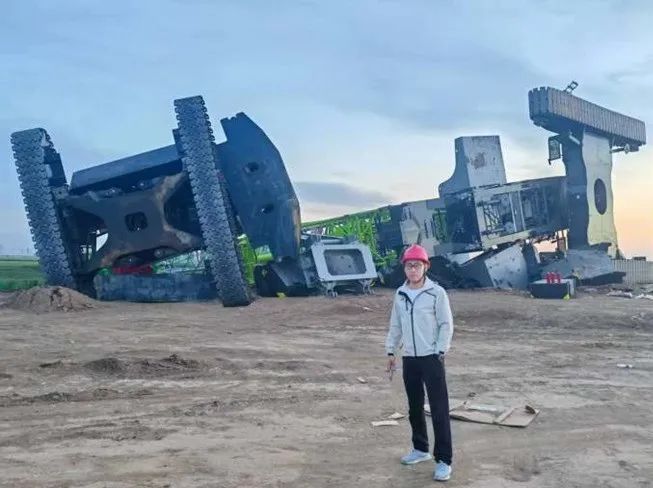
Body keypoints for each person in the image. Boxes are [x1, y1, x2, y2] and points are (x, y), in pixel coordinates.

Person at [385, 243, 454, 482]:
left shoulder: (437, 293)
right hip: (410, 358)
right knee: (414, 406)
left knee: (438, 409)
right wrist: (390, 351)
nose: (412, 270)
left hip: (431, 357)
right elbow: (395, 325)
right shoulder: (400, 293)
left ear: (425, 267)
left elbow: (446, 324)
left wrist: (440, 350)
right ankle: (420, 448)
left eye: (416, 265)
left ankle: (444, 460)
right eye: (408, 266)